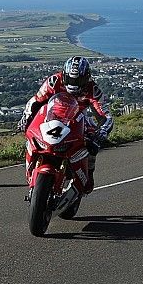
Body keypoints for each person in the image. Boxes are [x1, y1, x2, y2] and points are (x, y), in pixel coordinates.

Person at [18, 56, 113, 193]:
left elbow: (106, 114)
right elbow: (36, 100)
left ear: (86, 78)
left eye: (78, 80)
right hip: (51, 117)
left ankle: (88, 173)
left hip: (77, 120)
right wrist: (26, 118)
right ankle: (31, 164)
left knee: (92, 146)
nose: (74, 84)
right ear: (64, 75)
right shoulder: (53, 81)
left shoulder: (93, 90)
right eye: (71, 79)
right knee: (32, 136)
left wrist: (102, 132)